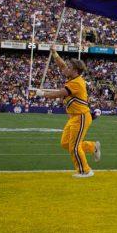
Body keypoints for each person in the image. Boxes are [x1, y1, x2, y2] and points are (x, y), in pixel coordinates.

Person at [33, 50, 100, 178]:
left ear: (75, 70)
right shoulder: (73, 77)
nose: (66, 68)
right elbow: (62, 66)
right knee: (65, 143)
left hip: (80, 117)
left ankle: (85, 171)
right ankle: (92, 147)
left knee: (74, 147)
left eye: (70, 67)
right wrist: (55, 54)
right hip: (74, 117)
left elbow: (60, 93)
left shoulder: (77, 82)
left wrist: (43, 94)